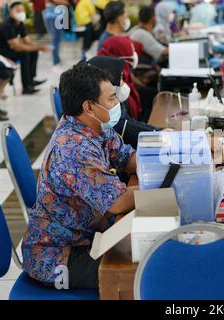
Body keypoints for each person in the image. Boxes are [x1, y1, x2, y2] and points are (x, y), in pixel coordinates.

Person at [22, 63, 137, 289]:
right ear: (89, 106)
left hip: (88, 237)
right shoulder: (74, 148)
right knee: (139, 275)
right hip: (59, 255)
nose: (117, 105)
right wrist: (166, 189)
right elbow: (117, 202)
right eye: (112, 99)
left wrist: (167, 164)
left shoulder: (95, 126)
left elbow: (127, 157)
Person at [87, 56, 160, 146]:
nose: (117, 102)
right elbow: (131, 130)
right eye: (120, 78)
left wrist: (159, 131)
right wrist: (160, 134)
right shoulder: (107, 121)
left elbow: (124, 154)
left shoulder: (107, 127)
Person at [0, 1, 50, 94]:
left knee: (33, 52)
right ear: (11, 12)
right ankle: (26, 87)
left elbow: (28, 41)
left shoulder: (20, 24)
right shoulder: (7, 25)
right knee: (24, 54)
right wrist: (39, 47)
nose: (21, 12)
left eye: (22, 10)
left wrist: (38, 47)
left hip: (9, 48)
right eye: (18, 10)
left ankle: (30, 80)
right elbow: (17, 47)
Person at [98, 36, 155, 122]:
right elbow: (125, 123)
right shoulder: (109, 75)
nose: (134, 54)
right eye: (131, 50)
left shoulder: (120, 68)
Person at [43, 0, 70, 71]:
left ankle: (56, 60)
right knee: (55, 39)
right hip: (53, 14)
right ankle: (56, 61)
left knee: (57, 39)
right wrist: (64, 2)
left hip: (55, 13)